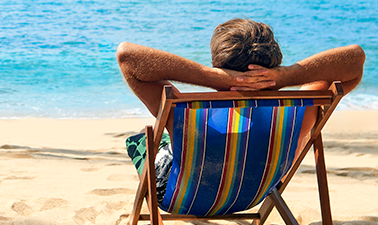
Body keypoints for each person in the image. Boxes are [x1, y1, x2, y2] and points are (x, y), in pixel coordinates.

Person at [116, 18, 364, 145]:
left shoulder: (186, 118)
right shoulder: (300, 112)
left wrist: (213, 78)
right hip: (257, 193)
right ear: (275, 63)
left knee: (143, 137)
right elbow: (355, 60)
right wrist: (285, 77)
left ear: (218, 65)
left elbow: (128, 56)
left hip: (186, 198)